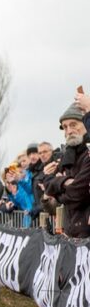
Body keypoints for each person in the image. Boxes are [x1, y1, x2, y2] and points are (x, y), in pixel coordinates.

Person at [46, 101, 90, 237]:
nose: (69, 131)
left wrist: (59, 188)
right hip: (70, 232)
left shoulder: (88, 153)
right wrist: (65, 182)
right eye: (65, 127)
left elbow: (78, 193)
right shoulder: (67, 155)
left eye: (73, 124)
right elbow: (48, 184)